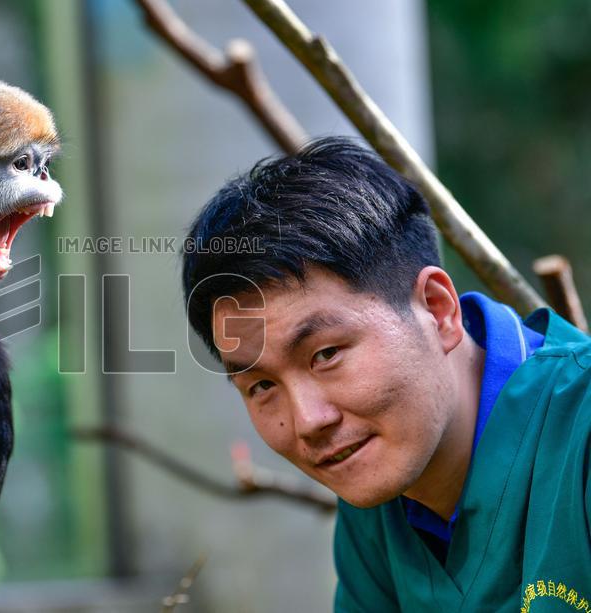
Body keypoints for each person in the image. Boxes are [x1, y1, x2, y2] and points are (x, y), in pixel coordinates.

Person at [180, 137, 591, 612]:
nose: (308, 421)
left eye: (326, 354)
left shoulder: (578, 430)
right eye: (262, 386)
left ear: (437, 311)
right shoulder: (379, 492)